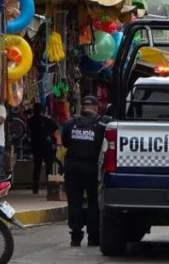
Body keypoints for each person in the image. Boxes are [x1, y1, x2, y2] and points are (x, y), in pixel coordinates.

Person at [60, 96, 109, 247]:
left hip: (72, 166)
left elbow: (65, 142)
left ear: (83, 107)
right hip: (92, 167)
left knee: (74, 200)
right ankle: (93, 236)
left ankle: (75, 236)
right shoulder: (102, 123)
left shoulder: (71, 122)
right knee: (94, 201)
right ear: (96, 108)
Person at [28, 103, 62, 194]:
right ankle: (50, 189)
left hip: (36, 146)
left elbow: (29, 130)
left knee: (37, 167)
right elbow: (55, 130)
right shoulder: (48, 120)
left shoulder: (31, 120)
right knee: (49, 168)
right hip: (47, 146)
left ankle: (35, 189)